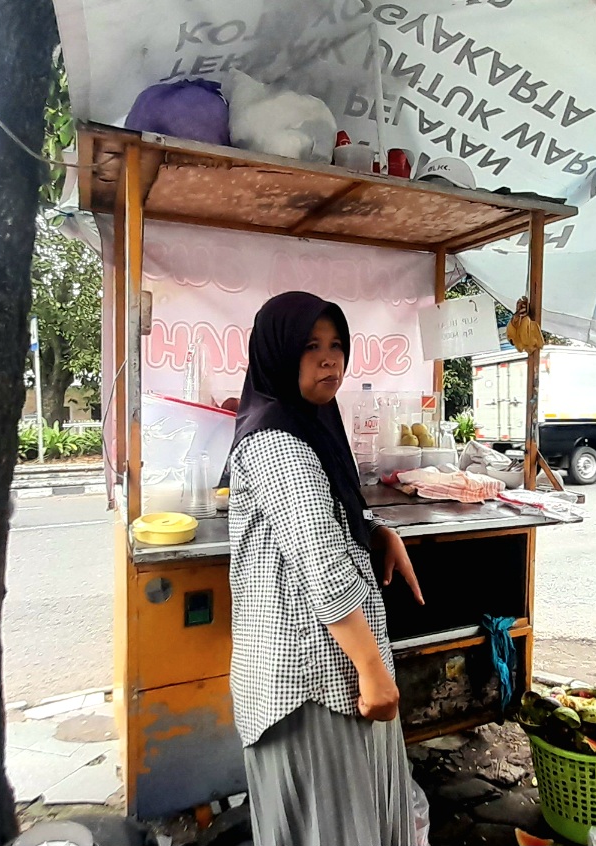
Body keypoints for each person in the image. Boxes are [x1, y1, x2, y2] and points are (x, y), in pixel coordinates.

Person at [226, 291, 424, 846]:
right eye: (310, 346)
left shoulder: (312, 421)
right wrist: (374, 670)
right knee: (336, 826)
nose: (329, 360)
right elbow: (323, 565)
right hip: (308, 682)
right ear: (278, 353)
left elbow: (332, 509)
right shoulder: (277, 440)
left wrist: (378, 531)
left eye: (336, 345)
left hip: (332, 668)